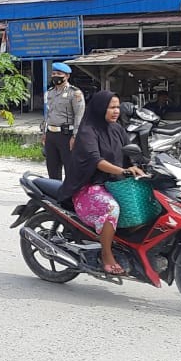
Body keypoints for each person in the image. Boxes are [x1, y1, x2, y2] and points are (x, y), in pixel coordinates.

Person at [58, 90, 146, 275]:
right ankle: (106, 254)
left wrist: (140, 165)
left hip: (114, 184)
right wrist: (122, 171)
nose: (116, 111)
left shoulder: (117, 129)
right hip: (88, 188)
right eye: (111, 107)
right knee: (111, 208)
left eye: (117, 107)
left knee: (146, 201)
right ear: (100, 108)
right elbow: (96, 161)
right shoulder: (87, 131)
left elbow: (129, 153)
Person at [42, 62, 85, 181]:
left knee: (70, 169)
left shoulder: (75, 93)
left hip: (66, 135)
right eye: (54, 73)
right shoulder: (50, 92)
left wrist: (75, 136)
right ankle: (55, 191)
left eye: (59, 74)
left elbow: (79, 115)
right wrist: (44, 132)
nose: (56, 76)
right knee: (52, 169)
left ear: (67, 76)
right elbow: (48, 114)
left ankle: (69, 192)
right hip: (51, 134)